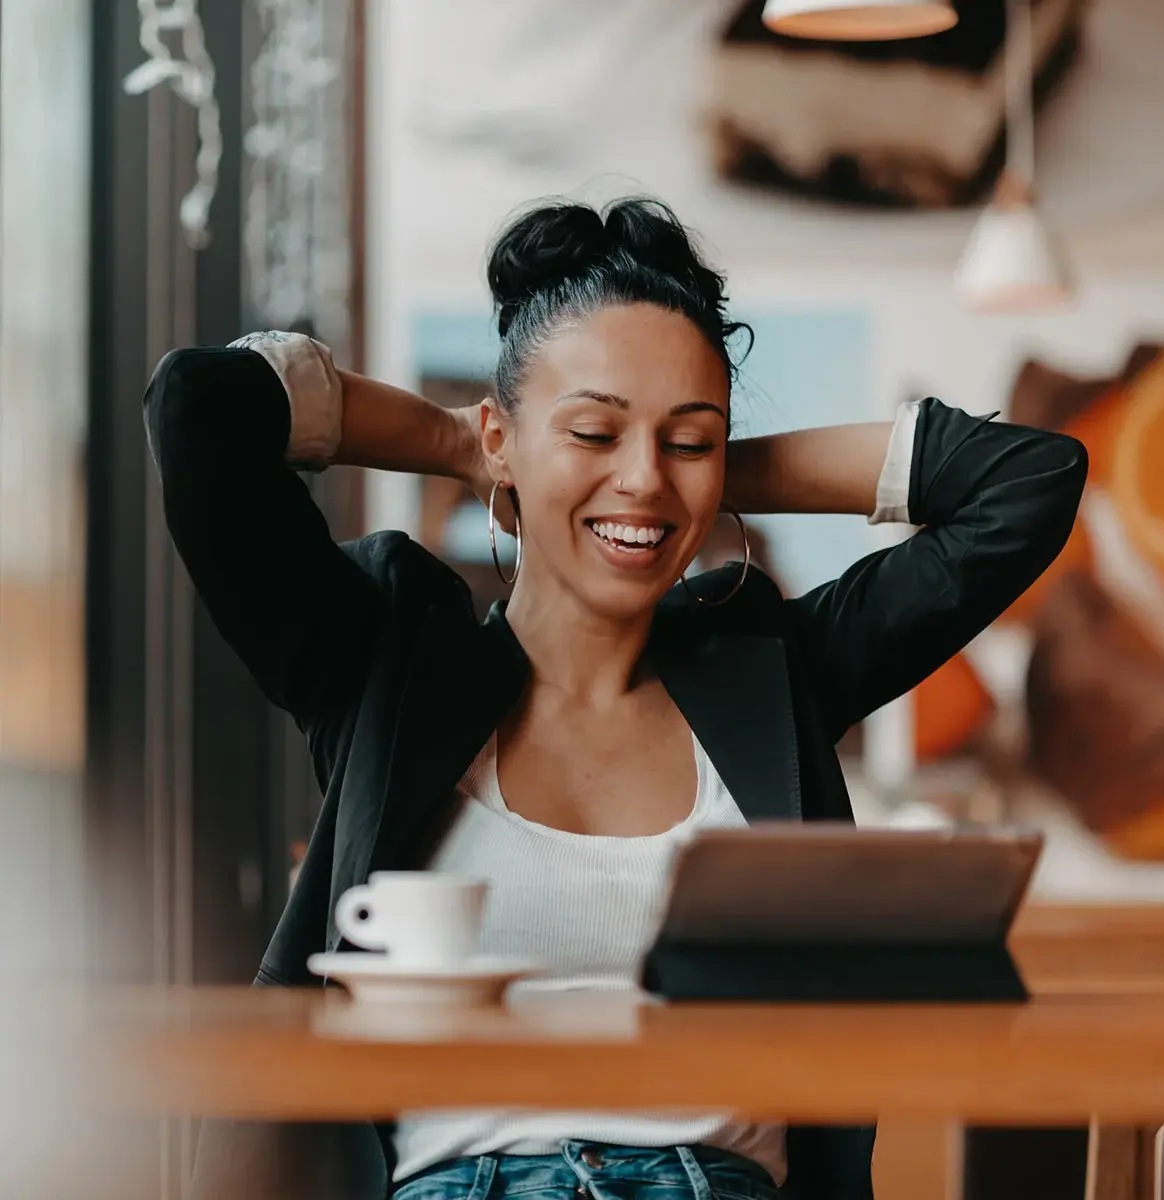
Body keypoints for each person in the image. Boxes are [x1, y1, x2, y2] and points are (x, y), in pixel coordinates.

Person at [144, 197, 1087, 1200]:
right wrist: (456, 443)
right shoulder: (383, 662)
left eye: (691, 441)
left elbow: (1027, 482)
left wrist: (694, 472)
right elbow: (199, 407)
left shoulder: (778, 673)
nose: (641, 480)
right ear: (502, 436)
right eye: (593, 430)